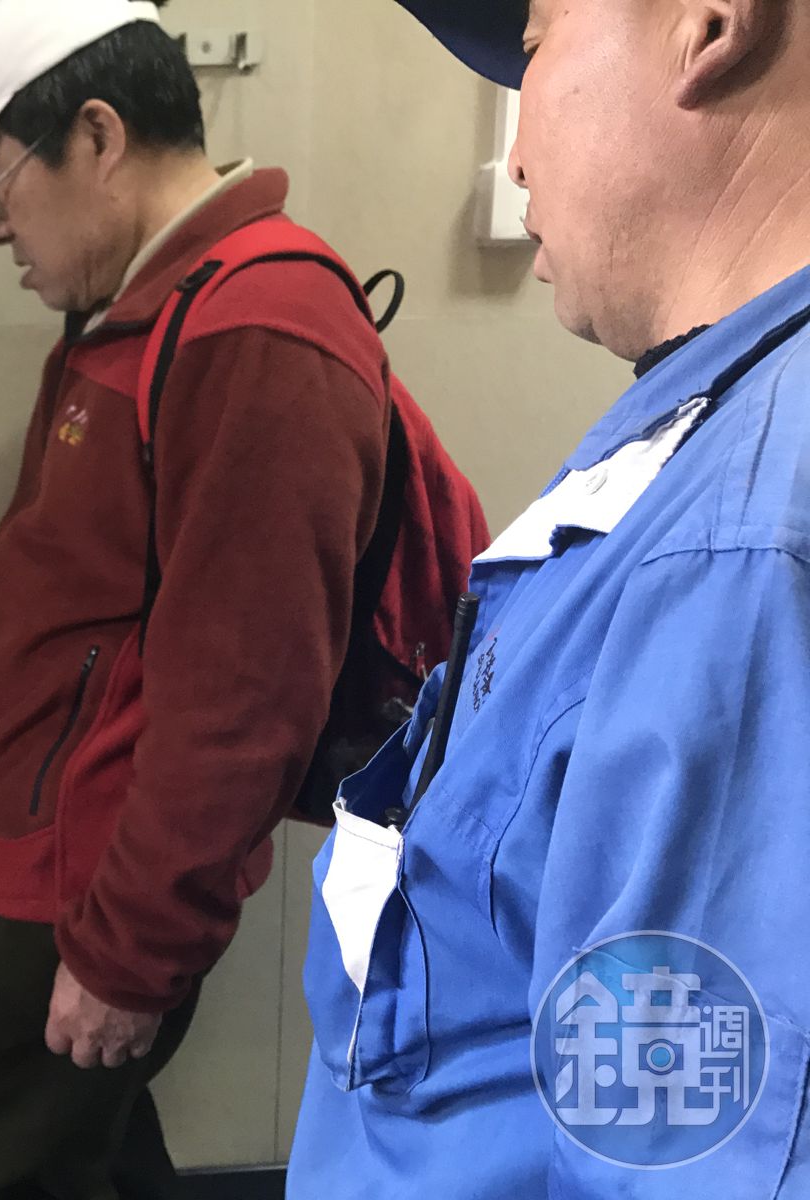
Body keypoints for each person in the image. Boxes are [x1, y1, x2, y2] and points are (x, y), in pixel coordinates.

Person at [0, 1, 486, 1196]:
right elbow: (72, 579)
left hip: (83, 877)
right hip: (46, 849)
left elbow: (244, 697)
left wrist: (129, 955)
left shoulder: (257, 330)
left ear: (97, 136)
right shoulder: (144, 306)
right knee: (80, 1153)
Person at [291, 0, 810, 1194]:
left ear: (710, 24)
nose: (515, 153)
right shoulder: (710, 430)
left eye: (533, 43)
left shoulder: (741, 545)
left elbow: (686, 1157)